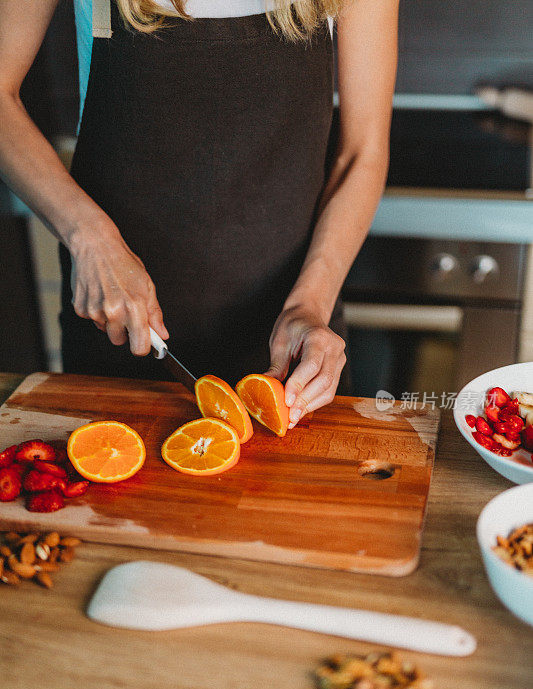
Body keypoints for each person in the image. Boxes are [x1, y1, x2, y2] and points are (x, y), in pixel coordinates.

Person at [0, 0, 398, 428]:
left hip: (293, 337)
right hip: (116, 321)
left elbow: (362, 154)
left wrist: (310, 305)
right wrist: (87, 236)